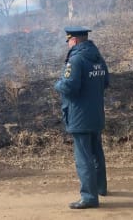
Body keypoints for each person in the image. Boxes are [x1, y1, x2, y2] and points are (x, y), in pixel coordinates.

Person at [54, 26, 109, 209]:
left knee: (83, 158)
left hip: (79, 116)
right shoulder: (98, 58)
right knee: (96, 153)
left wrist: (58, 84)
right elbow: (106, 82)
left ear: (75, 40)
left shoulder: (76, 60)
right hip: (96, 114)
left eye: (68, 40)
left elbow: (69, 87)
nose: (68, 44)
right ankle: (101, 187)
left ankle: (89, 197)